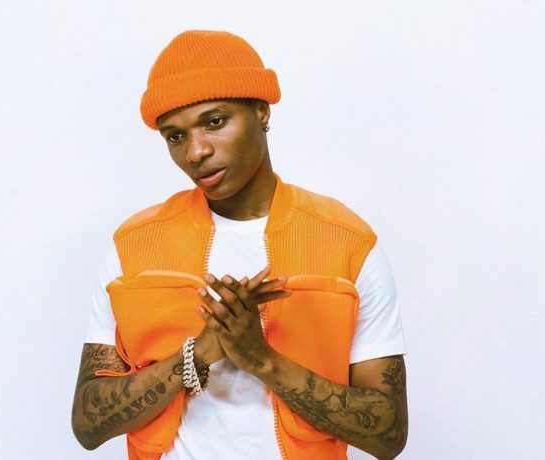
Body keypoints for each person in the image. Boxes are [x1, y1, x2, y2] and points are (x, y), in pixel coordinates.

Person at [71, 30, 408, 460]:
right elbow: (87, 425)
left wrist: (260, 358)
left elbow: (389, 435)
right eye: (175, 136)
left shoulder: (347, 243)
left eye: (214, 122)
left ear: (261, 111)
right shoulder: (134, 246)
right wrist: (200, 353)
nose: (195, 152)